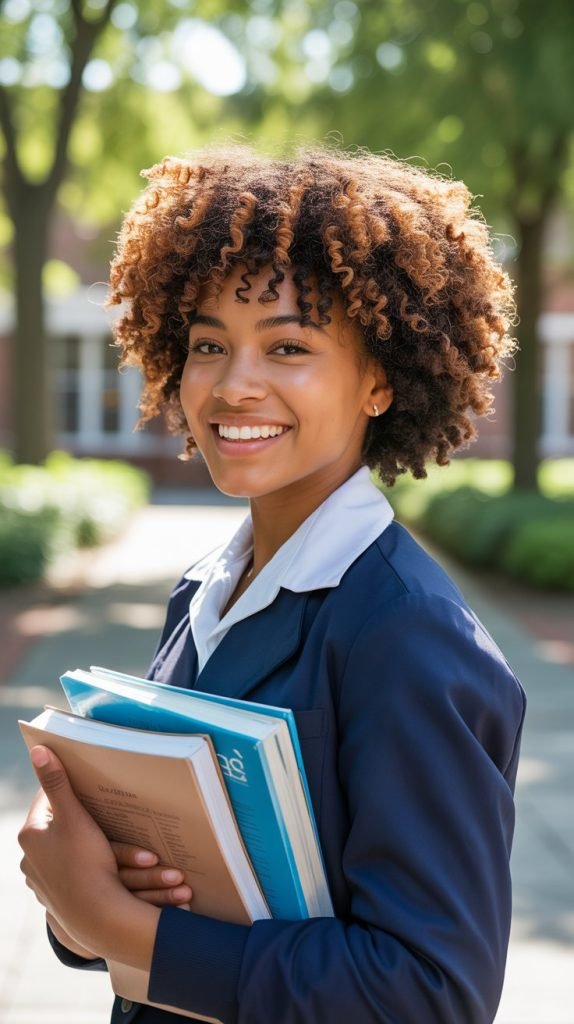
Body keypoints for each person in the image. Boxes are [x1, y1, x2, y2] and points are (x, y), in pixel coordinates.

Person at [19, 144, 526, 1024]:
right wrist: (84, 896)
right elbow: (162, 884)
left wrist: (130, 934)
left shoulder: (410, 636)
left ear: (379, 381)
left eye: (288, 346)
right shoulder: (202, 593)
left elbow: (434, 992)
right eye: (208, 345)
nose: (233, 385)